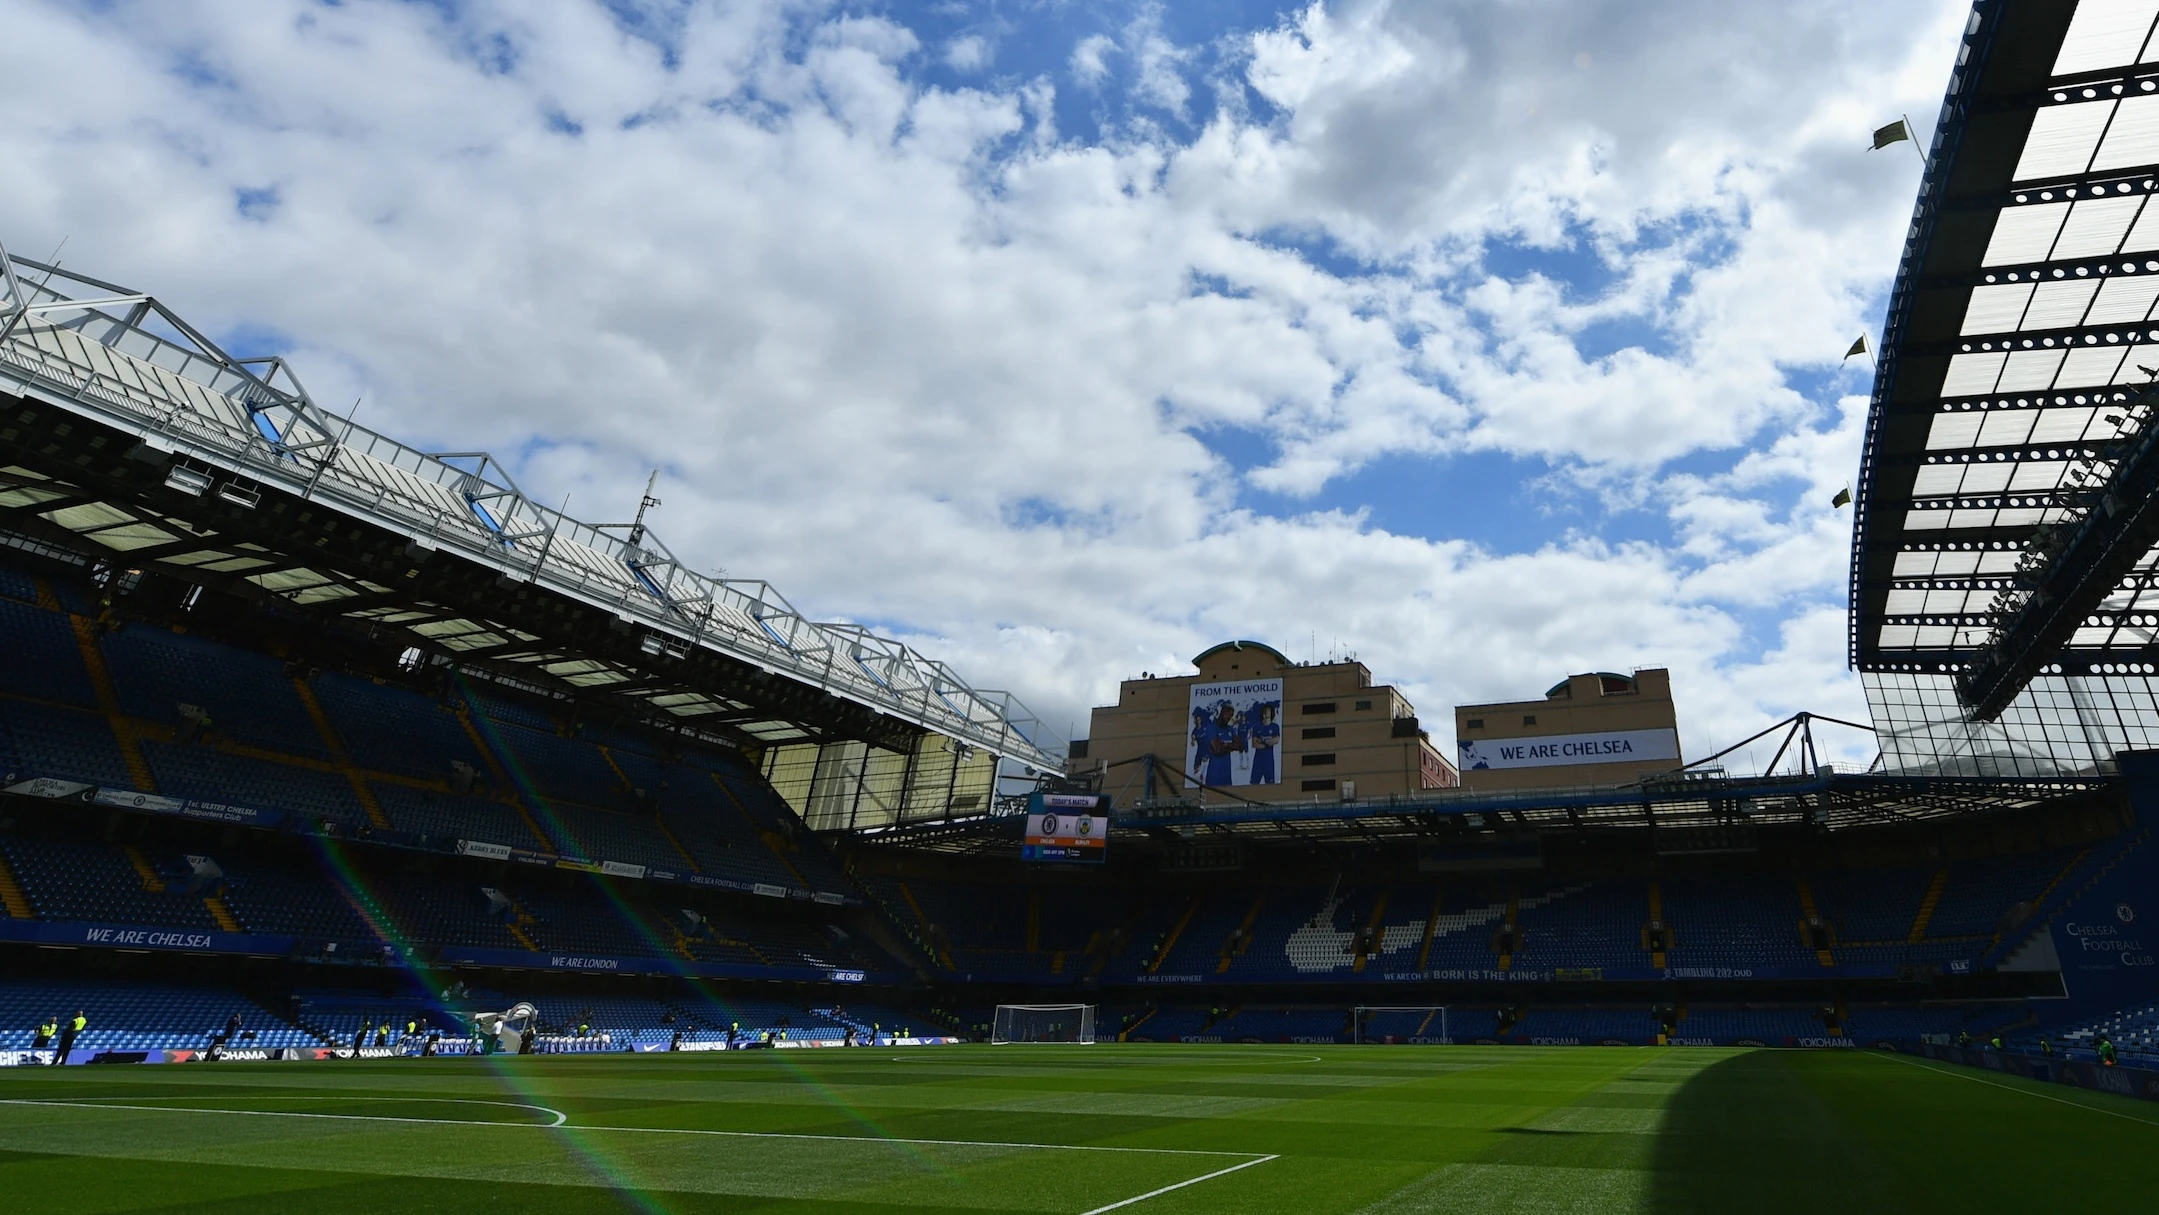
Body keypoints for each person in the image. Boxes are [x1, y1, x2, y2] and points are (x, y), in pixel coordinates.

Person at [1248, 703, 1280, 784]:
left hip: (1269, 761)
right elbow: (1254, 744)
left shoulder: (1275, 727)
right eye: (1265, 711)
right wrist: (1268, 744)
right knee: (1253, 784)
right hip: (1258, 761)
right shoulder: (1257, 727)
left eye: (1269, 711)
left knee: (1270, 785)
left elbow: (1276, 740)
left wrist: (1262, 741)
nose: (1267, 713)